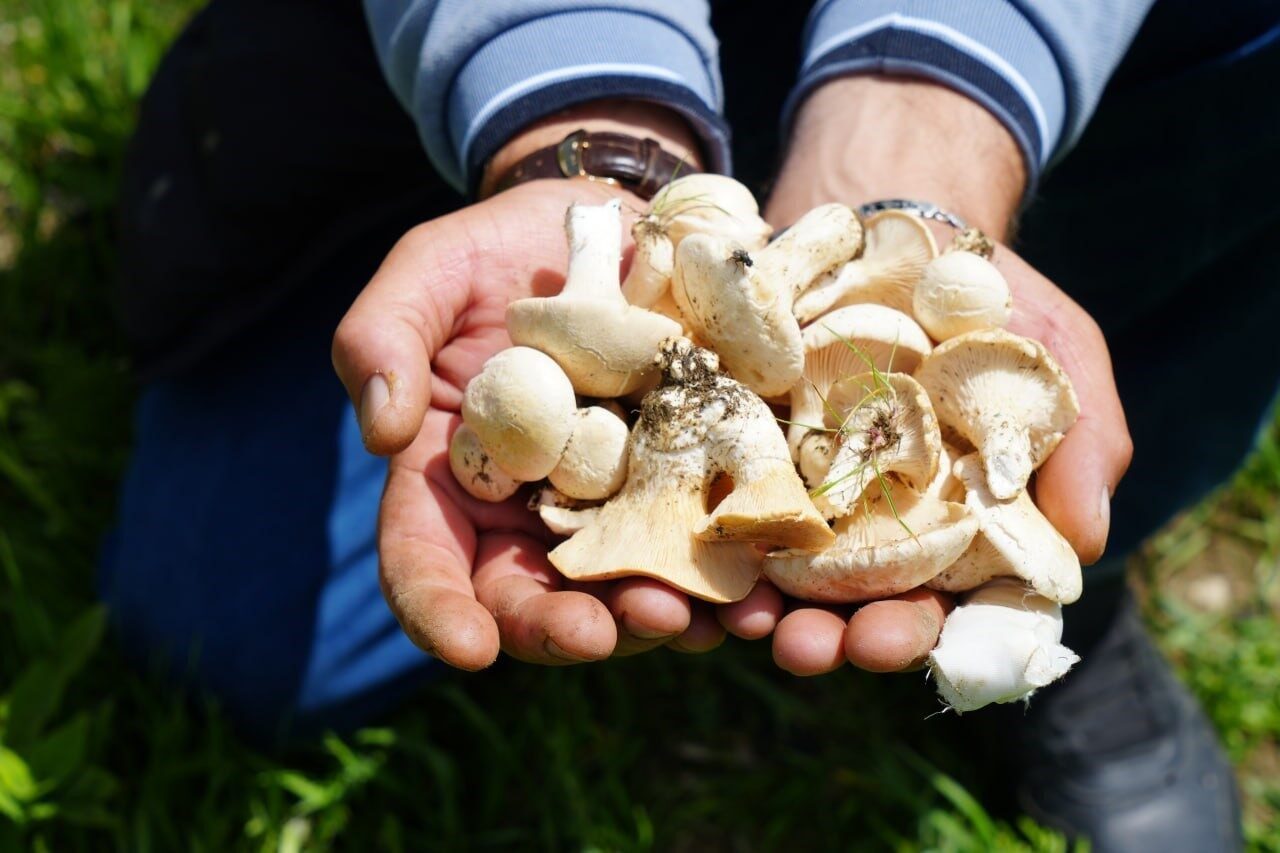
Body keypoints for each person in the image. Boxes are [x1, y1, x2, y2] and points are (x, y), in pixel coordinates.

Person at [102, 1, 1279, 849]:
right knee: (224, 627)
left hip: (1083, 60)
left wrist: (921, 103)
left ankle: (1065, 584)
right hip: (489, 73)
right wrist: (572, 121)